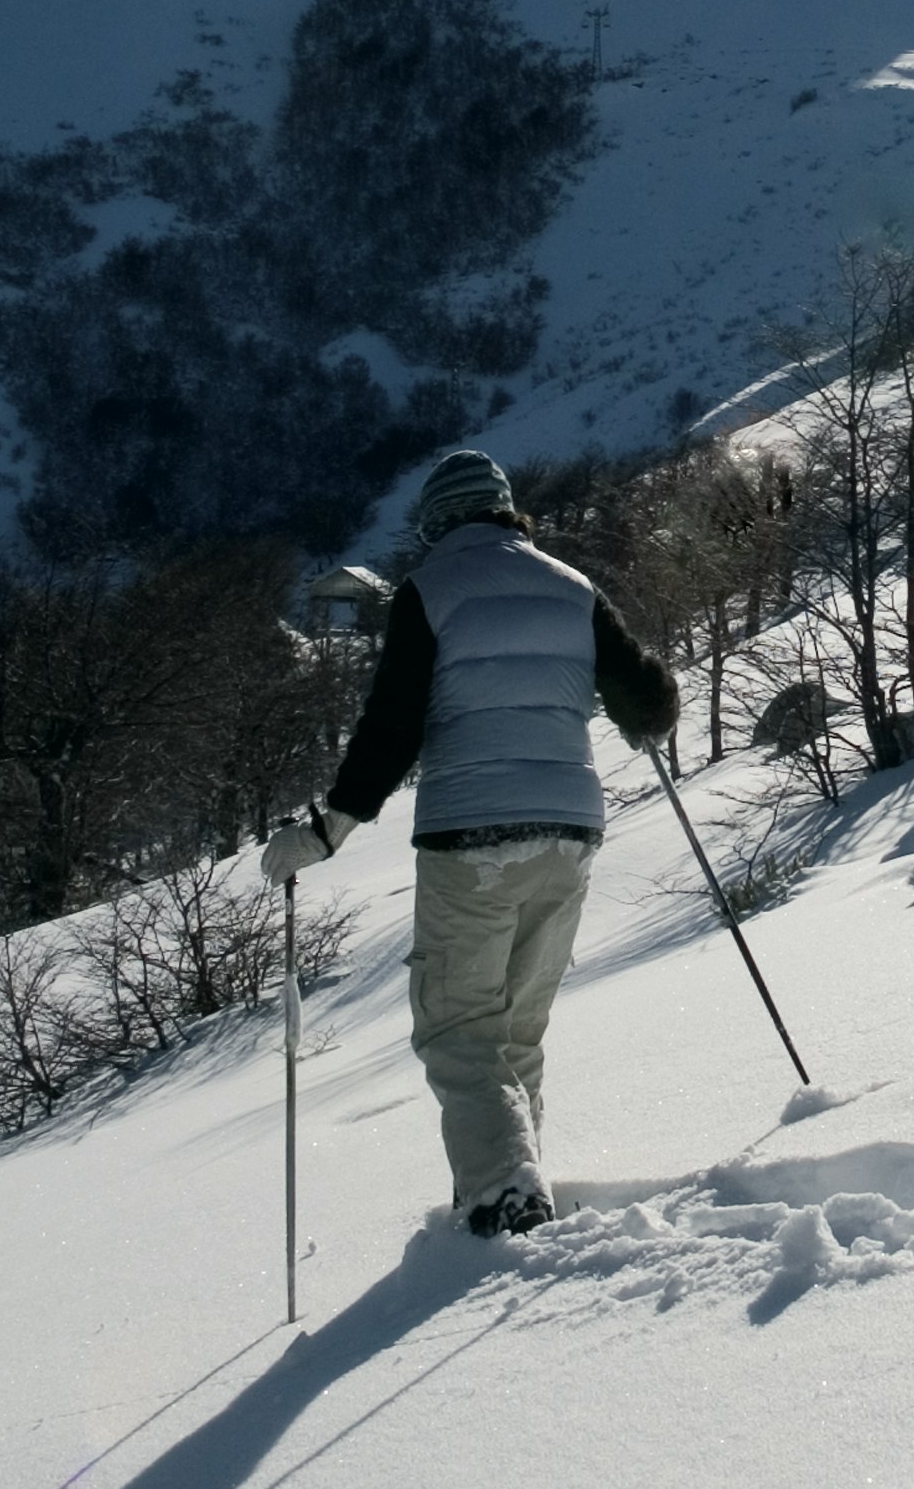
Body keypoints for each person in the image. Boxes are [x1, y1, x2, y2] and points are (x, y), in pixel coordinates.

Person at [263, 451, 678, 1237]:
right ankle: (514, 1188)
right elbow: (650, 708)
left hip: (471, 836)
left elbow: (392, 727)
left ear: (435, 524)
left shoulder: (428, 591)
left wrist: (327, 830)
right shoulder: (575, 588)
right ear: (507, 510)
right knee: (516, 1032)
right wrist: (639, 701)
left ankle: (502, 1196)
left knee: (459, 1029)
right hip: (570, 833)